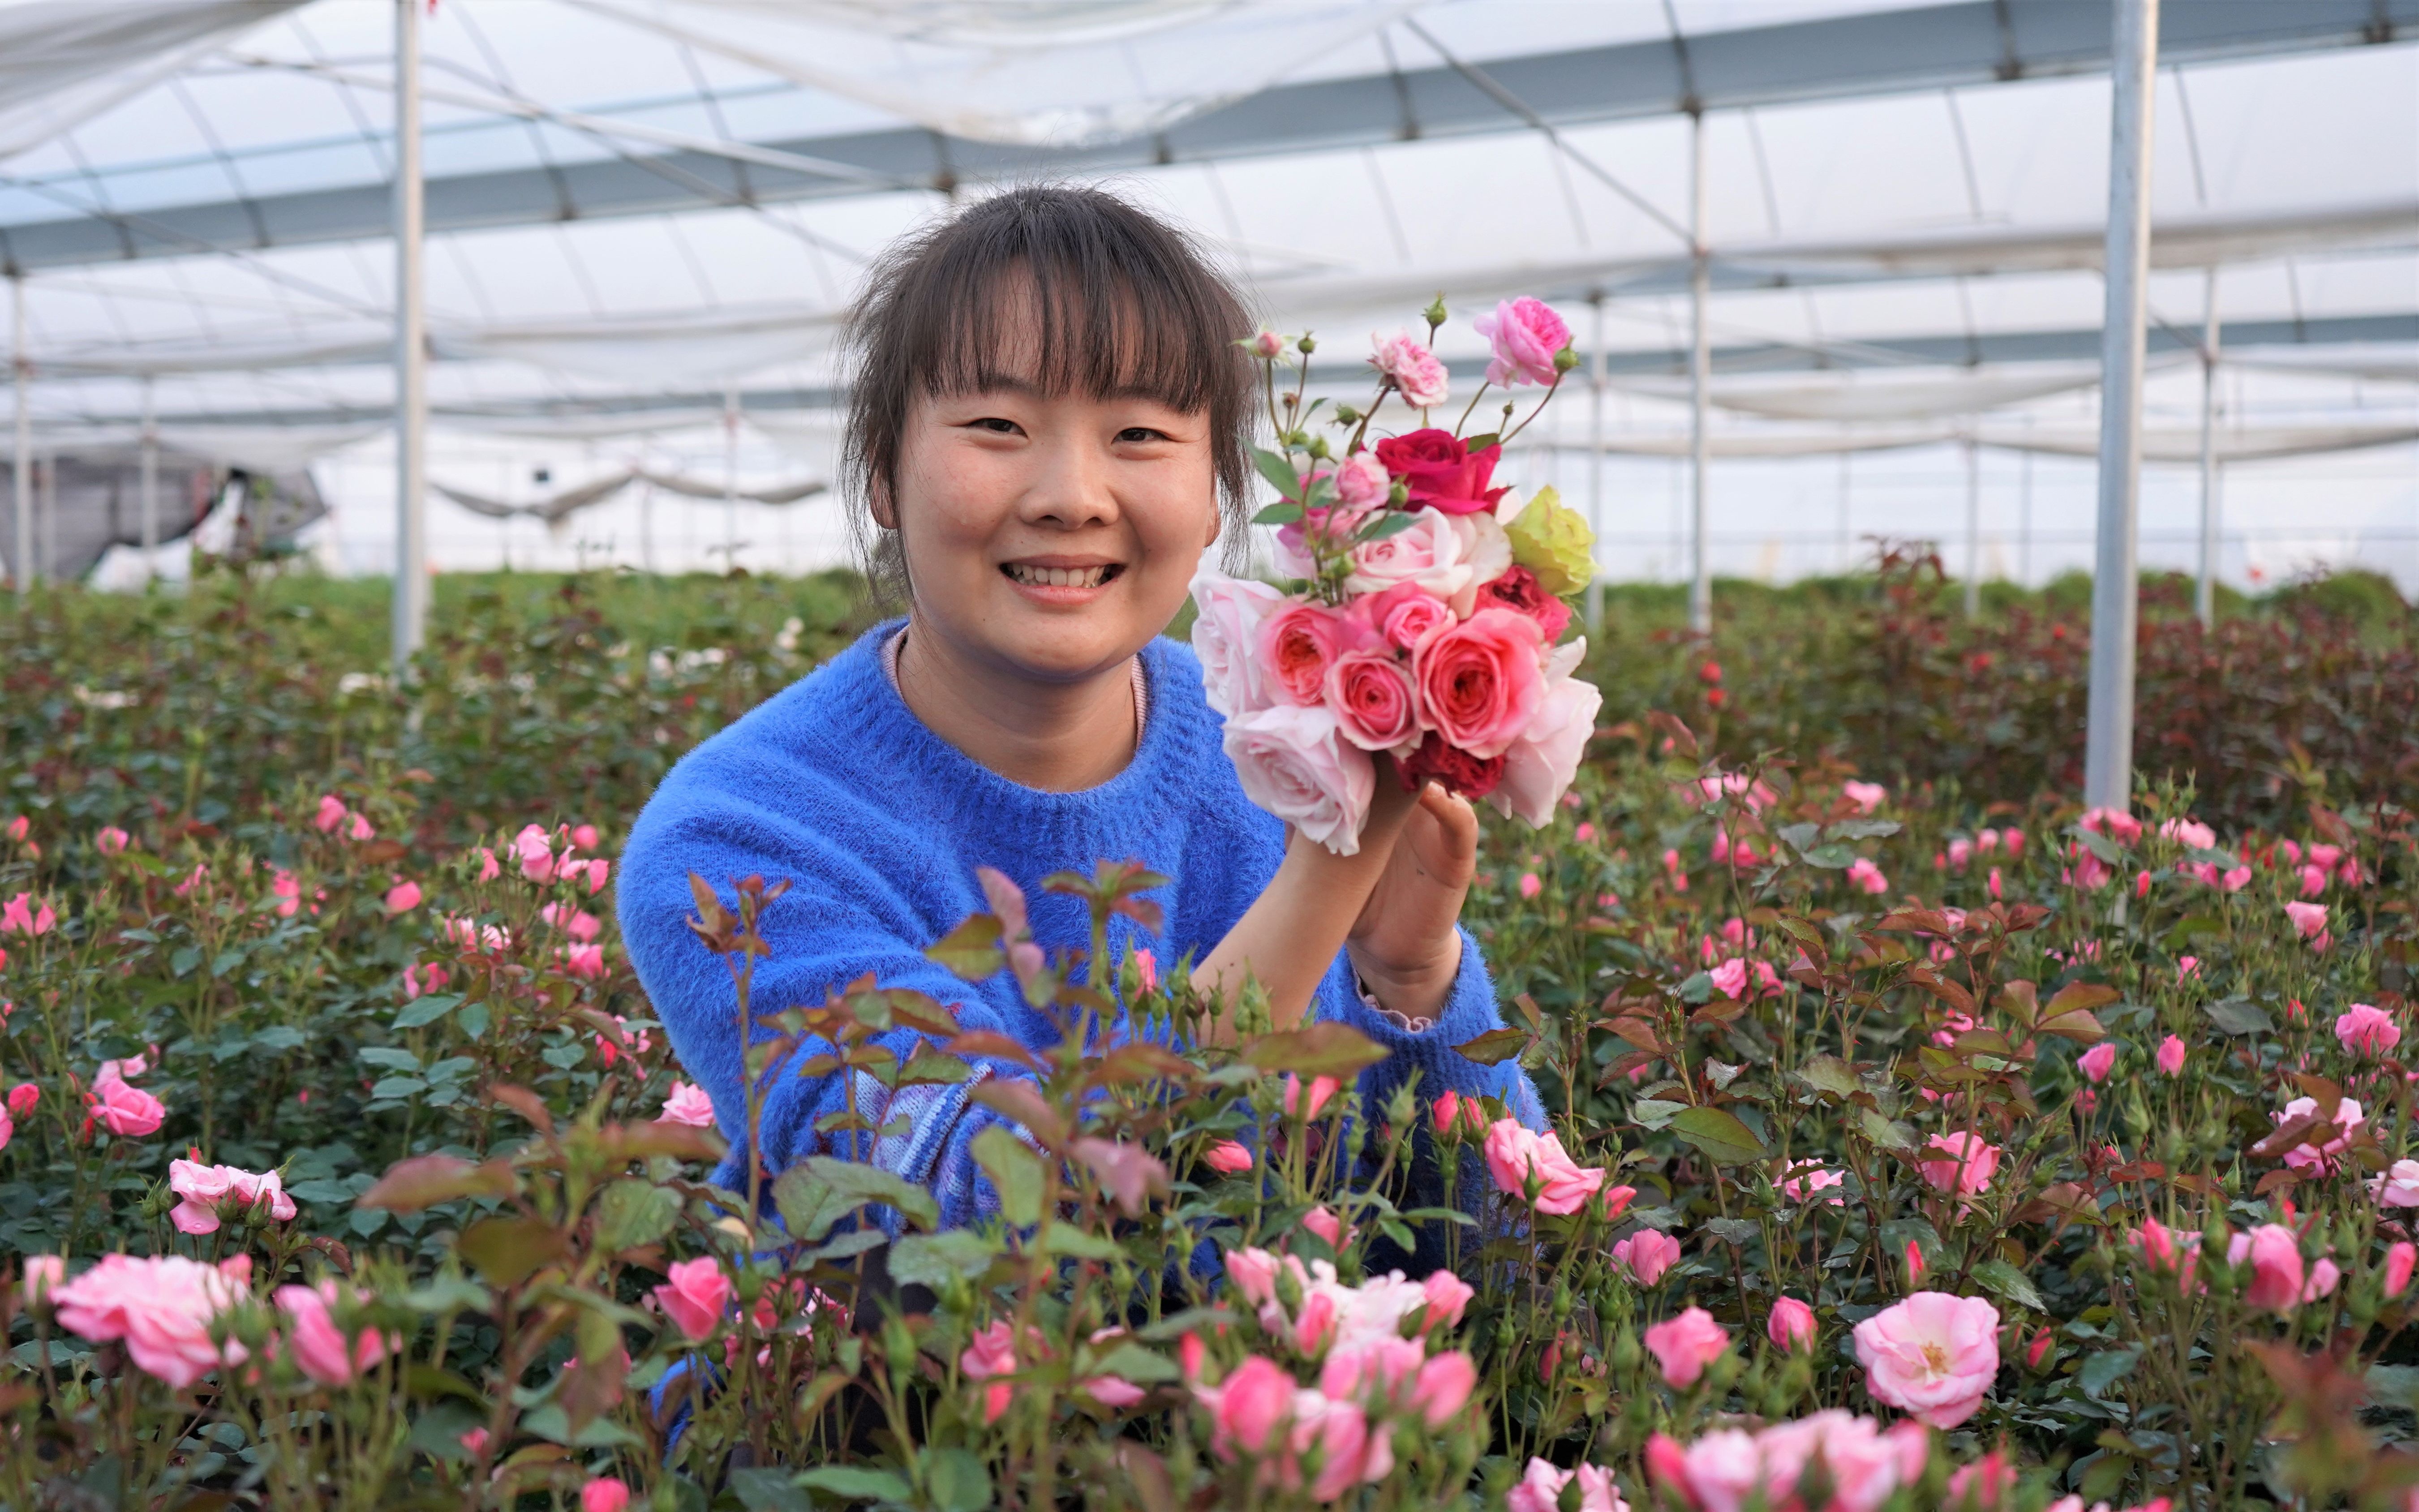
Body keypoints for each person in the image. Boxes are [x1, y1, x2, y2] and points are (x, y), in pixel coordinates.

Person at [618, 184, 1544, 1270]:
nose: (1072, 494)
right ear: (882, 474)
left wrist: (1412, 973)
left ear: (1214, 499)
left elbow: (1510, 1254)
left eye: (1140, 433)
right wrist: (1322, 883)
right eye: (997, 426)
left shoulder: (1280, 748)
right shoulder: (743, 840)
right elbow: (984, 1232)